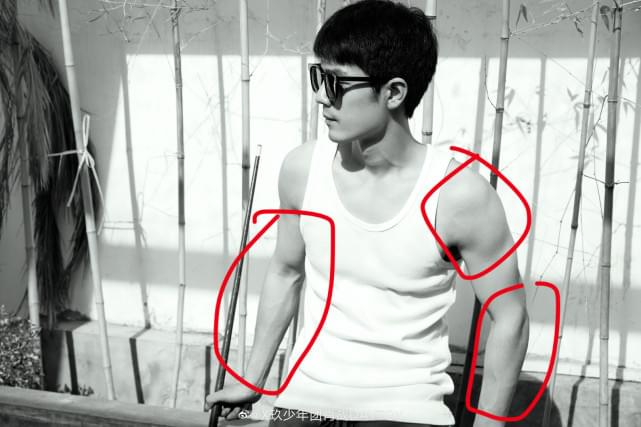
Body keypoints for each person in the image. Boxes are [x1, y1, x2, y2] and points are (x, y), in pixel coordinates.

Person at [205, 1, 529, 426]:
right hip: (305, 401)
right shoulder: (303, 170)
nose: (321, 96)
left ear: (393, 92)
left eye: (337, 83)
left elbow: (510, 315)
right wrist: (252, 379)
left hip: (405, 410)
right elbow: (285, 271)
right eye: (319, 77)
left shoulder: (458, 196)